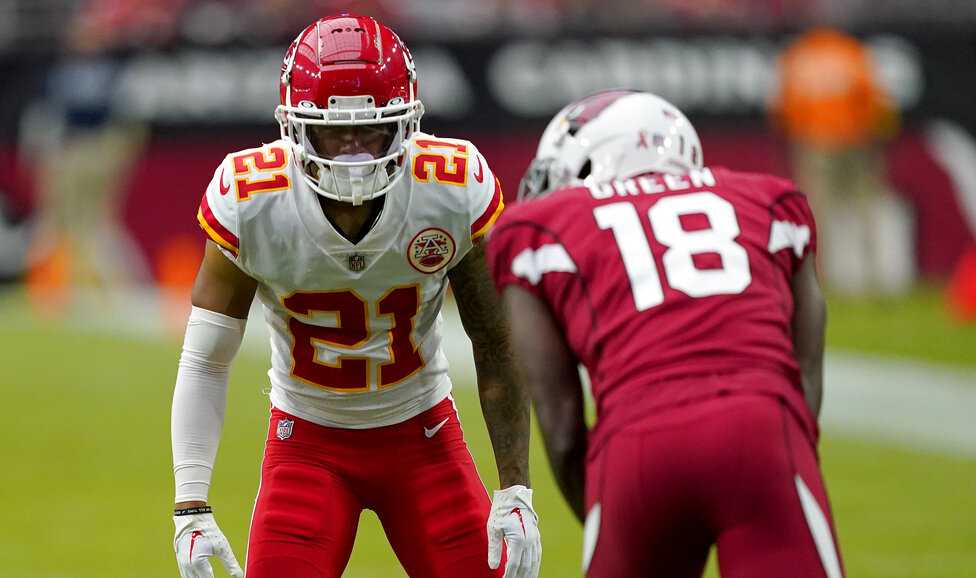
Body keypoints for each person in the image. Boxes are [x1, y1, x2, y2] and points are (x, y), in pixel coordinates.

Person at [169, 13, 540, 578]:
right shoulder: (253, 199)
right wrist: (191, 504)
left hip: (423, 435)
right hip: (306, 445)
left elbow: (496, 341)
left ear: (406, 124)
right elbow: (204, 360)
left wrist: (516, 490)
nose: (352, 152)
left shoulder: (450, 187)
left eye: (371, 131)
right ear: (294, 127)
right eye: (332, 131)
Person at [486, 90, 843, 577]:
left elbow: (563, 423)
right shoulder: (770, 199)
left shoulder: (538, 228)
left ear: (596, 160)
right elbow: (805, 375)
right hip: (761, 427)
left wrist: (611, 514)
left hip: (636, 445)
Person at [773, 27, 911, 297]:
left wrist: (799, 137)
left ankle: (818, 279)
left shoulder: (799, 56)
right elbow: (875, 102)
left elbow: (784, 109)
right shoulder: (851, 52)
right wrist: (874, 137)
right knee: (866, 210)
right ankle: (875, 276)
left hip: (816, 142)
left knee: (816, 215)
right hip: (855, 141)